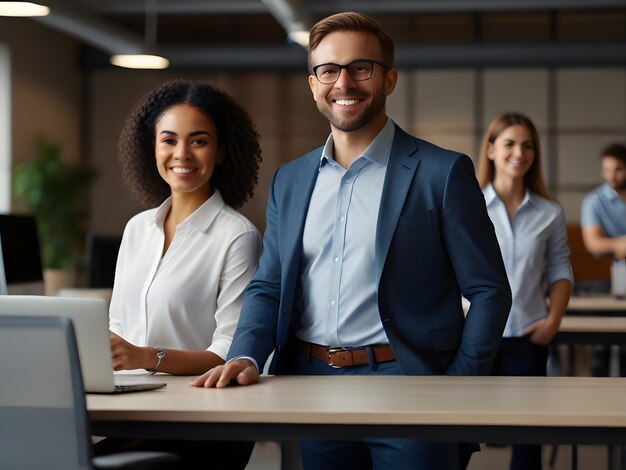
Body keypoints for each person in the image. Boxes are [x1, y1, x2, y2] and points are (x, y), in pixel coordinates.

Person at [192, 11, 511, 470]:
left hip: (411, 383)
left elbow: (488, 291)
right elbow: (270, 286)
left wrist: (460, 384)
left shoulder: (442, 173)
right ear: (313, 83)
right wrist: (246, 354)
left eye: (361, 68)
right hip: (310, 386)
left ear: (389, 79)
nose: (344, 82)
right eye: (328, 70)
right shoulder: (290, 180)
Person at [102, 78, 263, 469]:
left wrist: (145, 356)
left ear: (222, 151)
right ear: (152, 148)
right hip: (133, 409)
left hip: (203, 418)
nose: (182, 154)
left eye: (199, 141)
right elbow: (119, 324)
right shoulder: (137, 228)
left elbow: (230, 351)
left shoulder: (238, 236)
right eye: (169, 140)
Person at [476, 112, 573, 470]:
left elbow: (561, 270)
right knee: (456, 434)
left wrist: (554, 320)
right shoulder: (467, 206)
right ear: (490, 149)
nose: (520, 152)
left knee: (527, 438)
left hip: (528, 336)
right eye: (510, 143)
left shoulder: (550, 213)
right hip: (475, 337)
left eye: (528, 145)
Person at [581, 143, 626, 375]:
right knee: (602, 350)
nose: (612, 175)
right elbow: (594, 245)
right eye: (607, 169)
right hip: (601, 279)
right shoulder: (594, 201)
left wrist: (615, 244)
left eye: (618, 169)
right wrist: (622, 245)